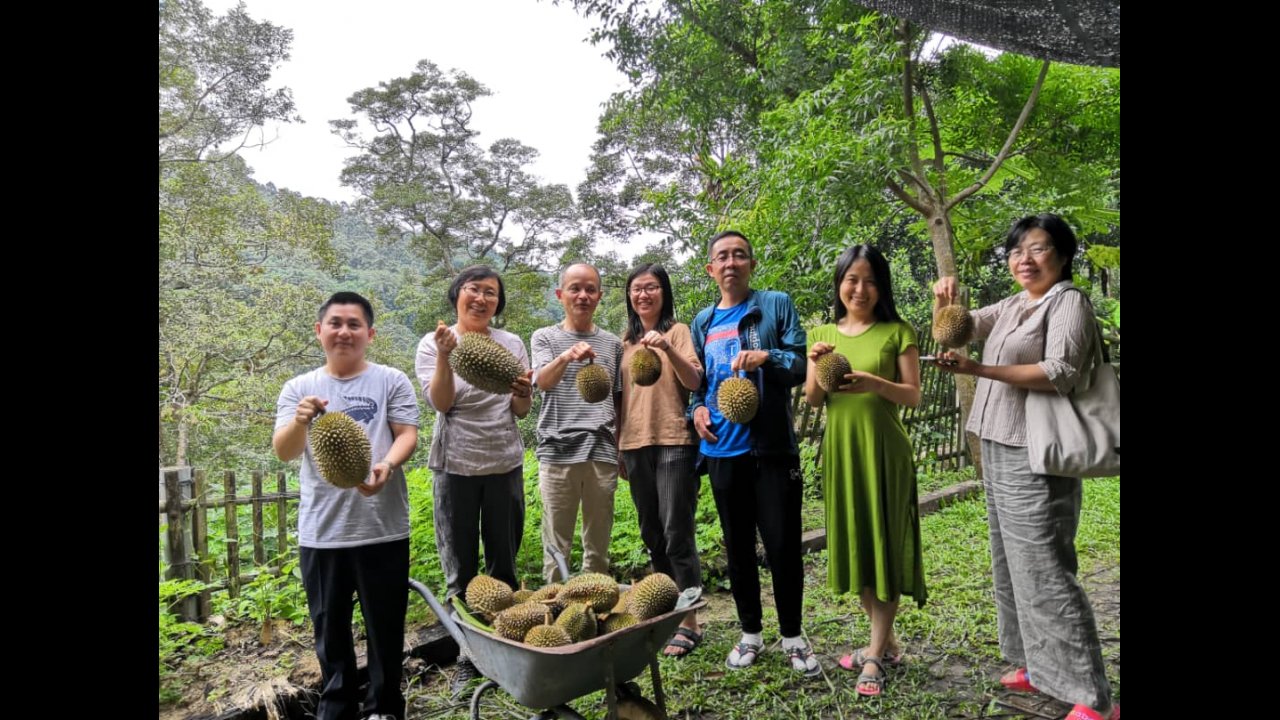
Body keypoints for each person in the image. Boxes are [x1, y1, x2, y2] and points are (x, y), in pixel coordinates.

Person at [933, 213, 1119, 720]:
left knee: (1046, 567)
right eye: (1017, 251)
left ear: (1062, 254)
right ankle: (1038, 666)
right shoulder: (1017, 303)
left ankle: (1092, 697)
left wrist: (979, 369)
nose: (1024, 259)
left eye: (1037, 249)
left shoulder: (1068, 303)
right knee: (1010, 563)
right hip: (995, 441)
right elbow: (963, 329)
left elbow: (1059, 372)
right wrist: (944, 302)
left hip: (1036, 451)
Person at [272, 291, 419, 720]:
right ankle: (336, 709)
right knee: (330, 631)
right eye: (335, 323)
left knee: (385, 628)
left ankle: (384, 709)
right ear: (319, 331)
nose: (344, 331)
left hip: (383, 525)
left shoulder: (391, 379)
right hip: (323, 530)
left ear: (369, 333)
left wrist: (386, 465)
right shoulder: (299, 388)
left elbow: (406, 433)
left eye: (354, 324)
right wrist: (300, 420)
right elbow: (284, 451)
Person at [689, 230, 819, 677]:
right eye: (722, 256)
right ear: (710, 269)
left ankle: (793, 635)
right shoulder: (702, 321)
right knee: (738, 547)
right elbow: (699, 382)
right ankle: (750, 633)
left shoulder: (775, 304)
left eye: (740, 255)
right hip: (722, 450)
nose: (731, 263)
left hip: (770, 449)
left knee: (782, 544)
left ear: (751, 264)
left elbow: (801, 364)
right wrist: (697, 409)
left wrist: (767, 357)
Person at [804, 244, 926, 697]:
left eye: (870, 280)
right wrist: (816, 362)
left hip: (885, 452)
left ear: (882, 286)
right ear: (840, 284)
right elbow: (814, 400)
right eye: (852, 279)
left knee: (885, 547)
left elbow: (913, 396)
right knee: (858, 544)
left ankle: (873, 655)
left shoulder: (898, 332)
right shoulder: (821, 334)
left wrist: (876, 383)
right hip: (842, 452)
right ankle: (887, 641)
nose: (860, 288)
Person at [414, 266, 533, 691]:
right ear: (457, 296)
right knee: (460, 570)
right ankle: (468, 654)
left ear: (498, 303)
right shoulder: (433, 344)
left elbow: (520, 411)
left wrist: (523, 391)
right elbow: (441, 403)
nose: (481, 299)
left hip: (504, 463)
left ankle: (506, 648)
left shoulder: (512, 344)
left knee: (503, 563)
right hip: (455, 467)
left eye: (491, 293)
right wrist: (447, 354)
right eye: (473, 290)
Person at [617, 263, 705, 657]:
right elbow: (621, 399)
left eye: (650, 288)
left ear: (663, 292)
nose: (643, 295)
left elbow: (695, 381)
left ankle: (690, 621)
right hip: (635, 445)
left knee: (676, 533)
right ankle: (667, 614)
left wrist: (666, 347)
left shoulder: (679, 332)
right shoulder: (624, 343)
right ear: (629, 297)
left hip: (674, 441)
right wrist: (619, 444)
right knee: (652, 533)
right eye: (636, 289)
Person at [531, 263, 624, 583]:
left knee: (597, 546)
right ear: (561, 295)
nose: (582, 295)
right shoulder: (545, 337)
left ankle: (593, 612)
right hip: (558, 452)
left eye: (590, 289)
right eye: (575, 288)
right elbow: (542, 381)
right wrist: (568, 356)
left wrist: (621, 447)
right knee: (556, 546)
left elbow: (618, 399)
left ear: (599, 296)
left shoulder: (612, 344)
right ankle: (554, 618)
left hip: (601, 450)